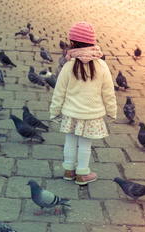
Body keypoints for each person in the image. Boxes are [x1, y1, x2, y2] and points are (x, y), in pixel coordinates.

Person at [50, 21, 117, 185]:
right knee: (85, 145)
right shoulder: (102, 66)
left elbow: (59, 91)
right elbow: (108, 92)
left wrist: (54, 111)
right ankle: (82, 173)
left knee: (70, 141)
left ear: (72, 43)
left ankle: (68, 170)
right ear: (93, 42)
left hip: (71, 114)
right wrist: (112, 111)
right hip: (91, 116)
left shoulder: (68, 66)